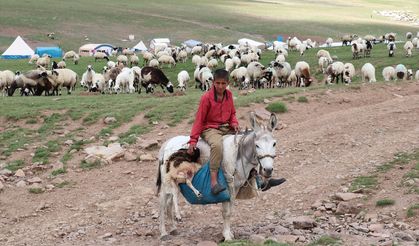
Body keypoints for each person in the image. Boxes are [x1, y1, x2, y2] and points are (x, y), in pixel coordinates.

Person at [187, 69, 286, 195]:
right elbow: (199, 120)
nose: (220, 86)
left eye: (223, 83)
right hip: (210, 129)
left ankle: (260, 179)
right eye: (218, 83)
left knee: (251, 140)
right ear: (213, 83)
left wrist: (234, 123)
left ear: (228, 83)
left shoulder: (228, 95)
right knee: (217, 146)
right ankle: (213, 182)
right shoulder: (206, 98)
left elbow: (232, 113)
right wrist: (193, 140)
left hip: (226, 127)